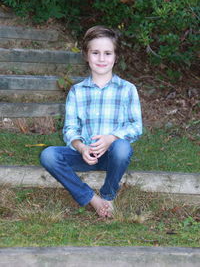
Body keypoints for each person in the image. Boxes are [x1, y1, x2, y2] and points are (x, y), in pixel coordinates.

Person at [40, 25, 142, 218]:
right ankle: (92, 199)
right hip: (85, 156)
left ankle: (108, 195)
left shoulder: (127, 89)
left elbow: (136, 126)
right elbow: (70, 129)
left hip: (114, 157)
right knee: (48, 155)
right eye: (95, 53)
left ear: (115, 57)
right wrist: (81, 148)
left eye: (107, 53)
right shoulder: (77, 91)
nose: (101, 59)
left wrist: (111, 138)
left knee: (122, 148)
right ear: (87, 55)